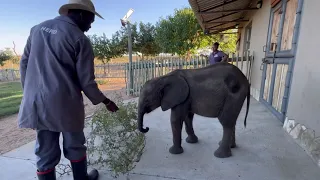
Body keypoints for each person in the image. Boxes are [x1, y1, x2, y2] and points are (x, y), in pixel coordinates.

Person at [18, 0, 119, 179]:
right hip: (65, 104)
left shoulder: (36, 29)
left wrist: (29, 93)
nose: (89, 27)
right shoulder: (80, 39)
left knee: (45, 149)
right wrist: (106, 101)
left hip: (38, 102)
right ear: (81, 15)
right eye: (90, 22)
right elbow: (87, 82)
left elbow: (24, 63)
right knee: (75, 145)